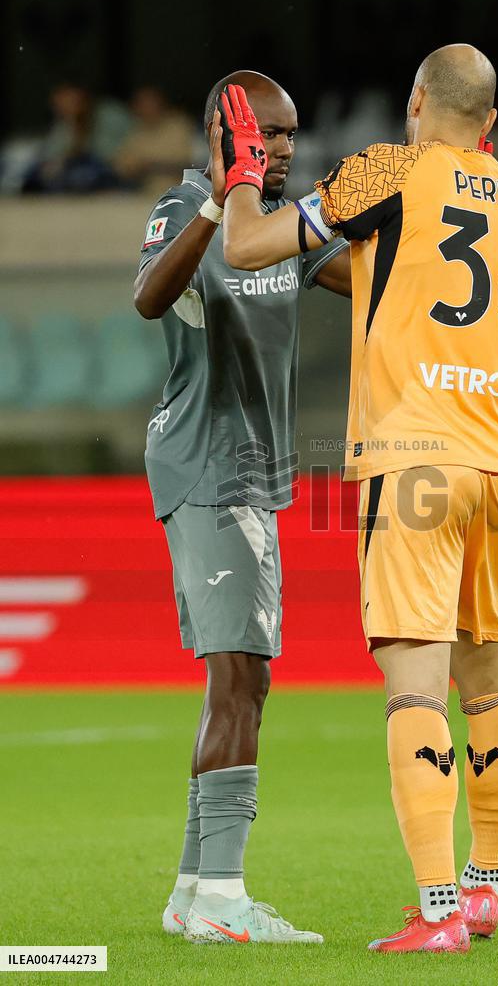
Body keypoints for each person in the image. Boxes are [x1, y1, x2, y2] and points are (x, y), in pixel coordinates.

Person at [219, 44, 498, 954]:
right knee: (491, 681)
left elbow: (249, 244)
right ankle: (485, 888)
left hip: (414, 461)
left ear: (415, 103)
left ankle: (439, 911)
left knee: (415, 686)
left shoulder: (391, 170)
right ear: (491, 122)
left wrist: (244, 178)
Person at [133, 69, 350, 946]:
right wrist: (220, 206)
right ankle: (224, 897)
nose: (285, 149)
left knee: (245, 674)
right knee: (239, 673)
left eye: (293, 134)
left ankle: (192, 891)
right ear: (225, 137)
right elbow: (150, 296)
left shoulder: (282, 225)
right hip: (204, 459)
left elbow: (366, 284)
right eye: (269, 133)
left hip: (254, 470)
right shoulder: (185, 207)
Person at [114, 86, 196, 196]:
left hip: (183, 194)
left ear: (161, 104)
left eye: (151, 103)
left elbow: (191, 164)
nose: (147, 108)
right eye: (142, 104)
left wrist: (151, 165)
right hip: (145, 195)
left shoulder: (179, 126)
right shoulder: (135, 133)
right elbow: (122, 168)